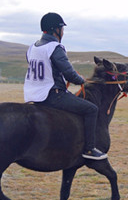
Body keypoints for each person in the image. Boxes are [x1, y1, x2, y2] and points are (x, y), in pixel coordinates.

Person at [24, 12, 107, 161]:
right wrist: (81, 80)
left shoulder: (32, 47)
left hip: (33, 95)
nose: (63, 32)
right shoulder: (55, 48)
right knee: (91, 109)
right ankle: (89, 149)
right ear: (55, 30)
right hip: (53, 95)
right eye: (62, 29)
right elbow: (69, 74)